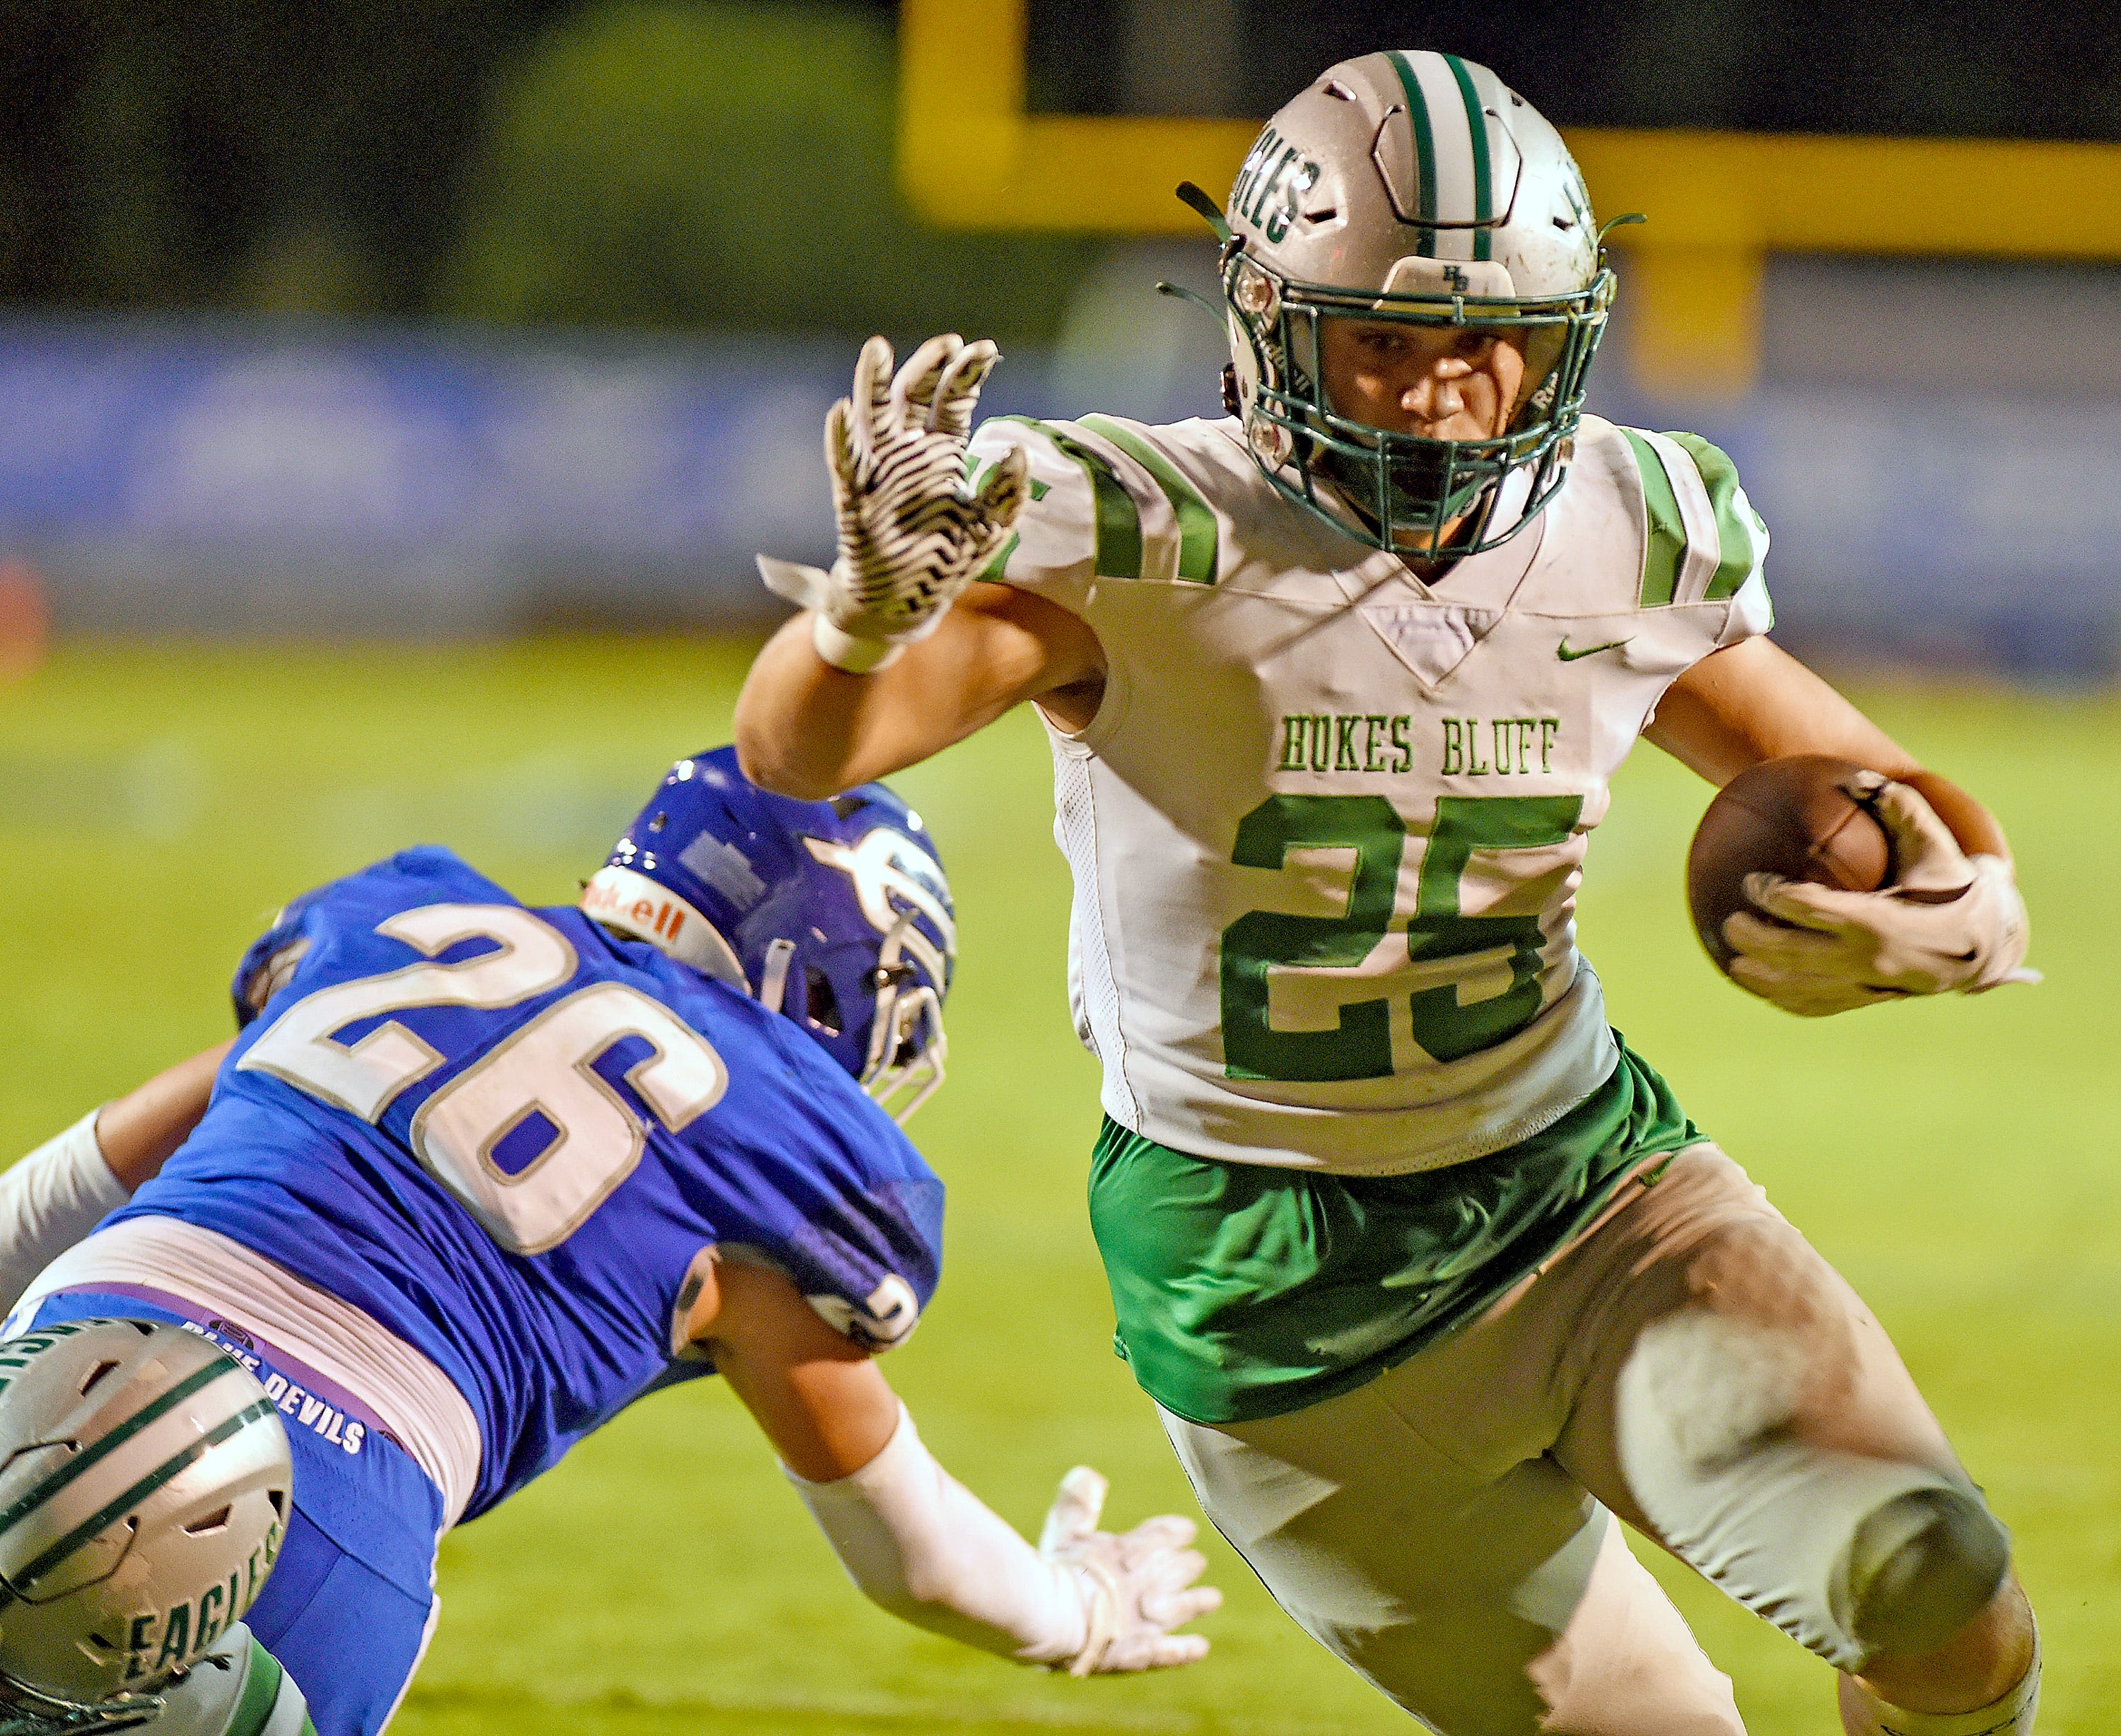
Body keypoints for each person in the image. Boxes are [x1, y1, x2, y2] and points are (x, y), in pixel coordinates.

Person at [732, 49, 2042, 1736]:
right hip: (1278, 1292)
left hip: (1592, 1196)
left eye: (1493, 343)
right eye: (1390, 339)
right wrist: (853, 628)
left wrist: (1962, 908)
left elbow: (1893, 799)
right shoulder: (1145, 532)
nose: (1443, 390)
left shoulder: (1626, 524)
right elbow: (798, 752)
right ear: (1272, 324)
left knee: (1943, 1600)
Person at [0, 749, 1217, 1736]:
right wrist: (1081, 1610)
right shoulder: (760, 1153)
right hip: (335, 1489)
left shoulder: (402, 932)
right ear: (821, 983)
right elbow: (914, 1552)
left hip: (83, 1343)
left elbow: (77, 1180)